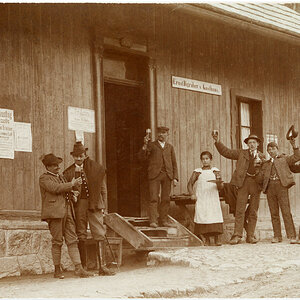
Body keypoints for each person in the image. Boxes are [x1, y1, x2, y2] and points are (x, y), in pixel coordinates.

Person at [63, 142, 115, 276]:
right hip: (80, 205)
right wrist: (73, 196)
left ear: (85, 155)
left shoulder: (95, 169)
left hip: (95, 203)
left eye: (81, 156)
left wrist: (104, 206)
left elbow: (103, 189)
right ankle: (83, 267)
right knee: (81, 233)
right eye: (76, 156)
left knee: (99, 232)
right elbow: (66, 190)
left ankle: (102, 266)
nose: (79, 159)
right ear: (73, 157)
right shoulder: (68, 172)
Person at [39, 153, 92, 279]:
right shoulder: (44, 178)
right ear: (47, 167)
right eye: (54, 165)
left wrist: (72, 192)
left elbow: (63, 189)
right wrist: (71, 185)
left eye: (57, 164)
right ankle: (57, 270)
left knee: (72, 240)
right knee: (57, 242)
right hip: (55, 214)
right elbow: (56, 188)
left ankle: (79, 268)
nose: (57, 167)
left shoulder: (61, 177)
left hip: (68, 211)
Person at [212, 132, 265, 244]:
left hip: (256, 184)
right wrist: (217, 141)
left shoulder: (262, 156)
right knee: (239, 209)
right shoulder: (241, 153)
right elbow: (226, 152)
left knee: (253, 211)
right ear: (247, 144)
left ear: (258, 144)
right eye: (249, 142)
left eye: (254, 142)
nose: (251, 144)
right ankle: (237, 235)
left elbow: (265, 172)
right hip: (243, 183)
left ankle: (250, 235)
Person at [256, 138, 300, 244]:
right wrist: (258, 167)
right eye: (269, 150)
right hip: (270, 188)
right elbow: (259, 179)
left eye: (273, 149)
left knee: (286, 212)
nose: (271, 151)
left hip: (281, 187)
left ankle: (292, 235)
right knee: (274, 213)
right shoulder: (265, 164)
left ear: (277, 149)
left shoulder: (284, 159)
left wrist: (294, 146)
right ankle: (277, 236)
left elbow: (297, 157)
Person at [139, 126, 179, 228]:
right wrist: (145, 144)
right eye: (159, 133)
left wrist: (175, 178)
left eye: (163, 133)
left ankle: (164, 220)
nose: (161, 134)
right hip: (154, 175)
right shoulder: (151, 145)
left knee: (165, 199)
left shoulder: (170, 147)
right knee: (154, 198)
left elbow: (174, 163)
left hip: (167, 175)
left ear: (167, 135)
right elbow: (142, 157)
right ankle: (153, 221)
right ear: (157, 134)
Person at [187, 151, 224, 246]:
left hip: (212, 197)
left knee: (214, 215)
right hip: (202, 198)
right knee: (203, 216)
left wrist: (219, 184)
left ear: (211, 160)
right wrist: (192, 194)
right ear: (201, 160)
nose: (205, 161)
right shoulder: (198, 172)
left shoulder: (215, 171)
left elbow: (220, 187)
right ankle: (206, 238)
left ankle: (217, 239)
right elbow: (189, 184)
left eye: (207, 159)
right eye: (203, 159)